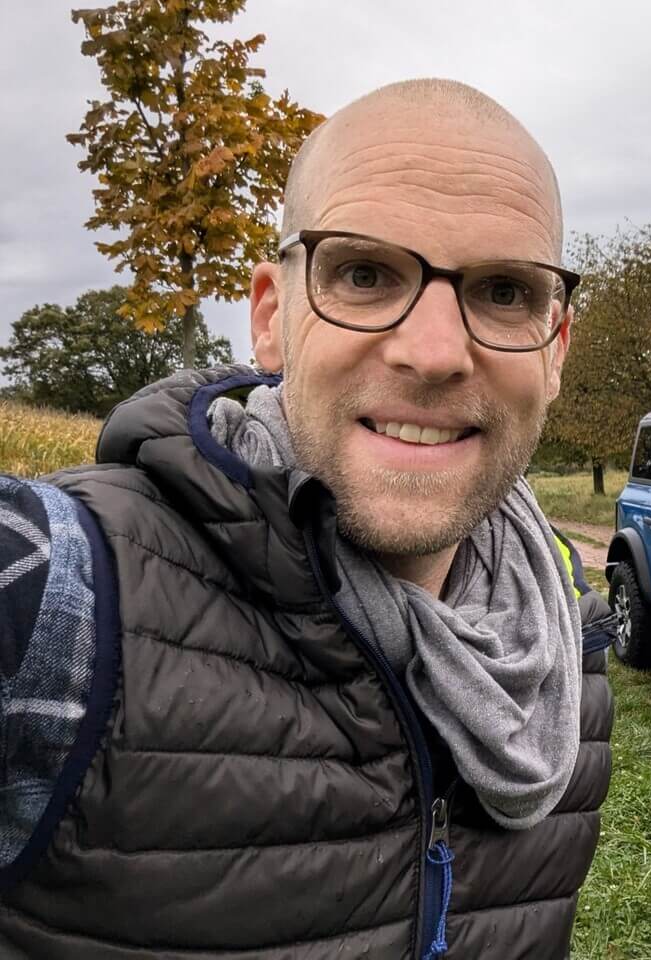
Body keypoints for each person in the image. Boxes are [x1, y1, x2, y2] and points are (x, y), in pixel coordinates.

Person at [0, 79, 614, 959]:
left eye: (505, 292)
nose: (435, 353)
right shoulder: (59, 595)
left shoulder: (562, 633)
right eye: (364, 274)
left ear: (554, 351)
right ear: (271, 317)